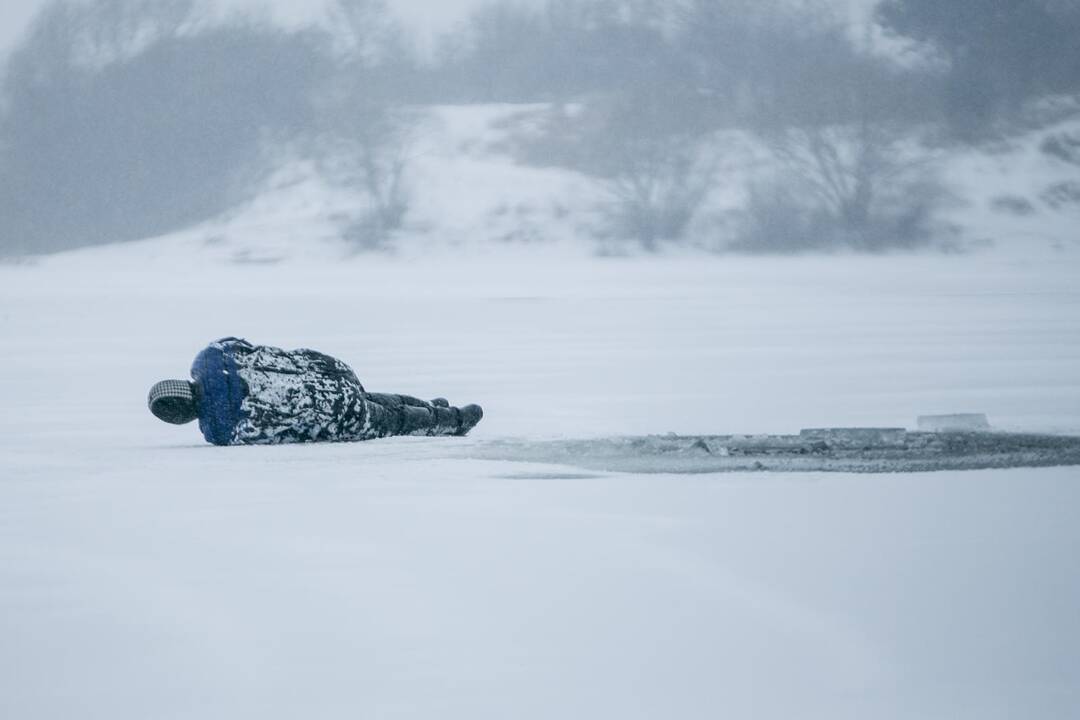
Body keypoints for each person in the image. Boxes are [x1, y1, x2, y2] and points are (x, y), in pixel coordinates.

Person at [148, 337, 483, 446]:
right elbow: (249, 347)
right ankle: (433, 408)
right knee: (376, 399)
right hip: (328, 375)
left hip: (330, 415)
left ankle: (449, 421)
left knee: (389, 420)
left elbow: (277, 436)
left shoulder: (220, 431)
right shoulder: (212, 358)